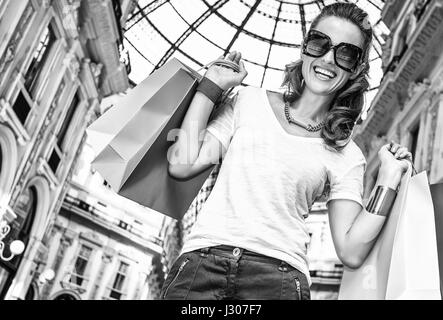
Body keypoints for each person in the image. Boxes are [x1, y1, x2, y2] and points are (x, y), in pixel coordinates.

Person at [161, 2, 413, 300]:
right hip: (202, 266)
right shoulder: (247, 101)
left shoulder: (348, 154)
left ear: (357, 68)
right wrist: (210, 88)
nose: (329, 59)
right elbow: (181, 164)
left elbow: (352, 251)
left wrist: (388, 180)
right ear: (305, 47)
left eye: (346, 53)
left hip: (278, 280)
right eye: (320, 43)